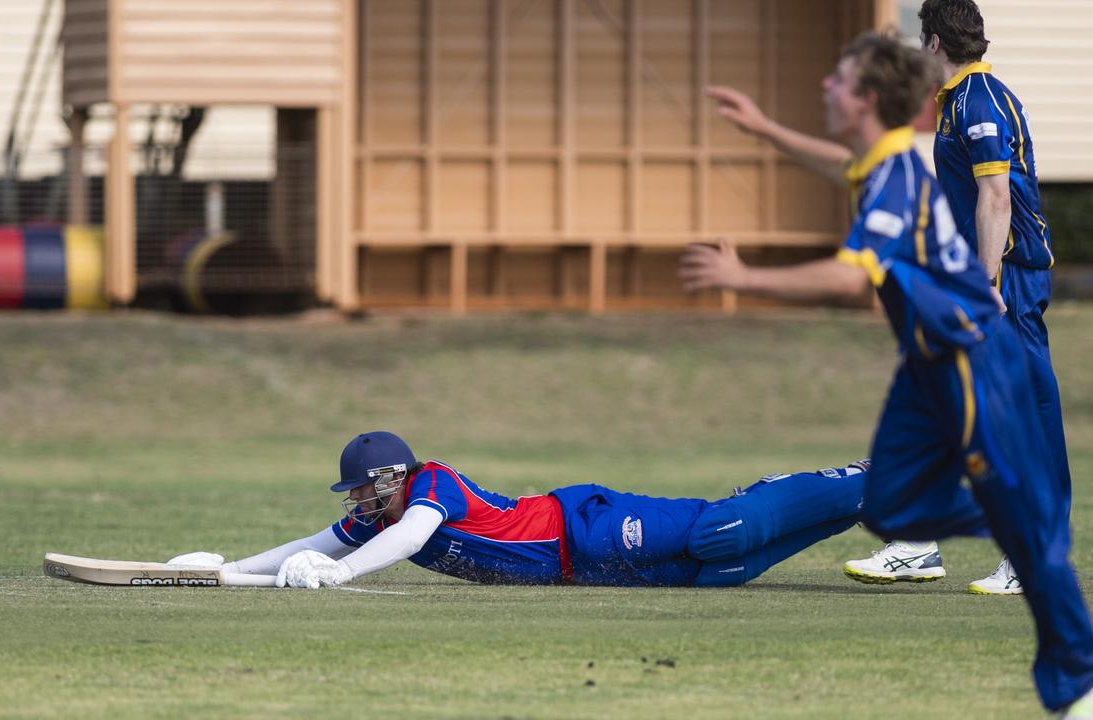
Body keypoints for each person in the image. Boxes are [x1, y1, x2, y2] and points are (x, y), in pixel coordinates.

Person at [680, 31, 1093, 717]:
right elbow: (836, 159)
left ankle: (1076, 677)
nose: (825, 87)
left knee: (993, 519)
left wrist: (743, 276)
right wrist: (762, 129)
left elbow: (848, 281)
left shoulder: (898, 178)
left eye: (837, 80)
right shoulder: (884, 157)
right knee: (892, 507)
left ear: (866, 100)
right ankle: (1005, 516)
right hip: (928, 364)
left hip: (969, 357)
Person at [705, 0, 1068, 596]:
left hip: (1005, 286)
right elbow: (853, 164)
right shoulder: (946, 110)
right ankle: (922, 543)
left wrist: (987, 287)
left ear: (932, 42)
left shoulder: (980, 101)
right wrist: (765, 130)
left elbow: (995, 198)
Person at [173, 431, 866, 590]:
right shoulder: (372, 521)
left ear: (391, 475)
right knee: (727, 569)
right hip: (580, 574)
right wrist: (229, 570)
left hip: (583, 523)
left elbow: (410, 536)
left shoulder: (429, 486)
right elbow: (316, 542)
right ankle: (862, 504)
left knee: (725, 530)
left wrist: (340, 575)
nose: (356, 501)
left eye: (362, 488)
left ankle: (862, 475)